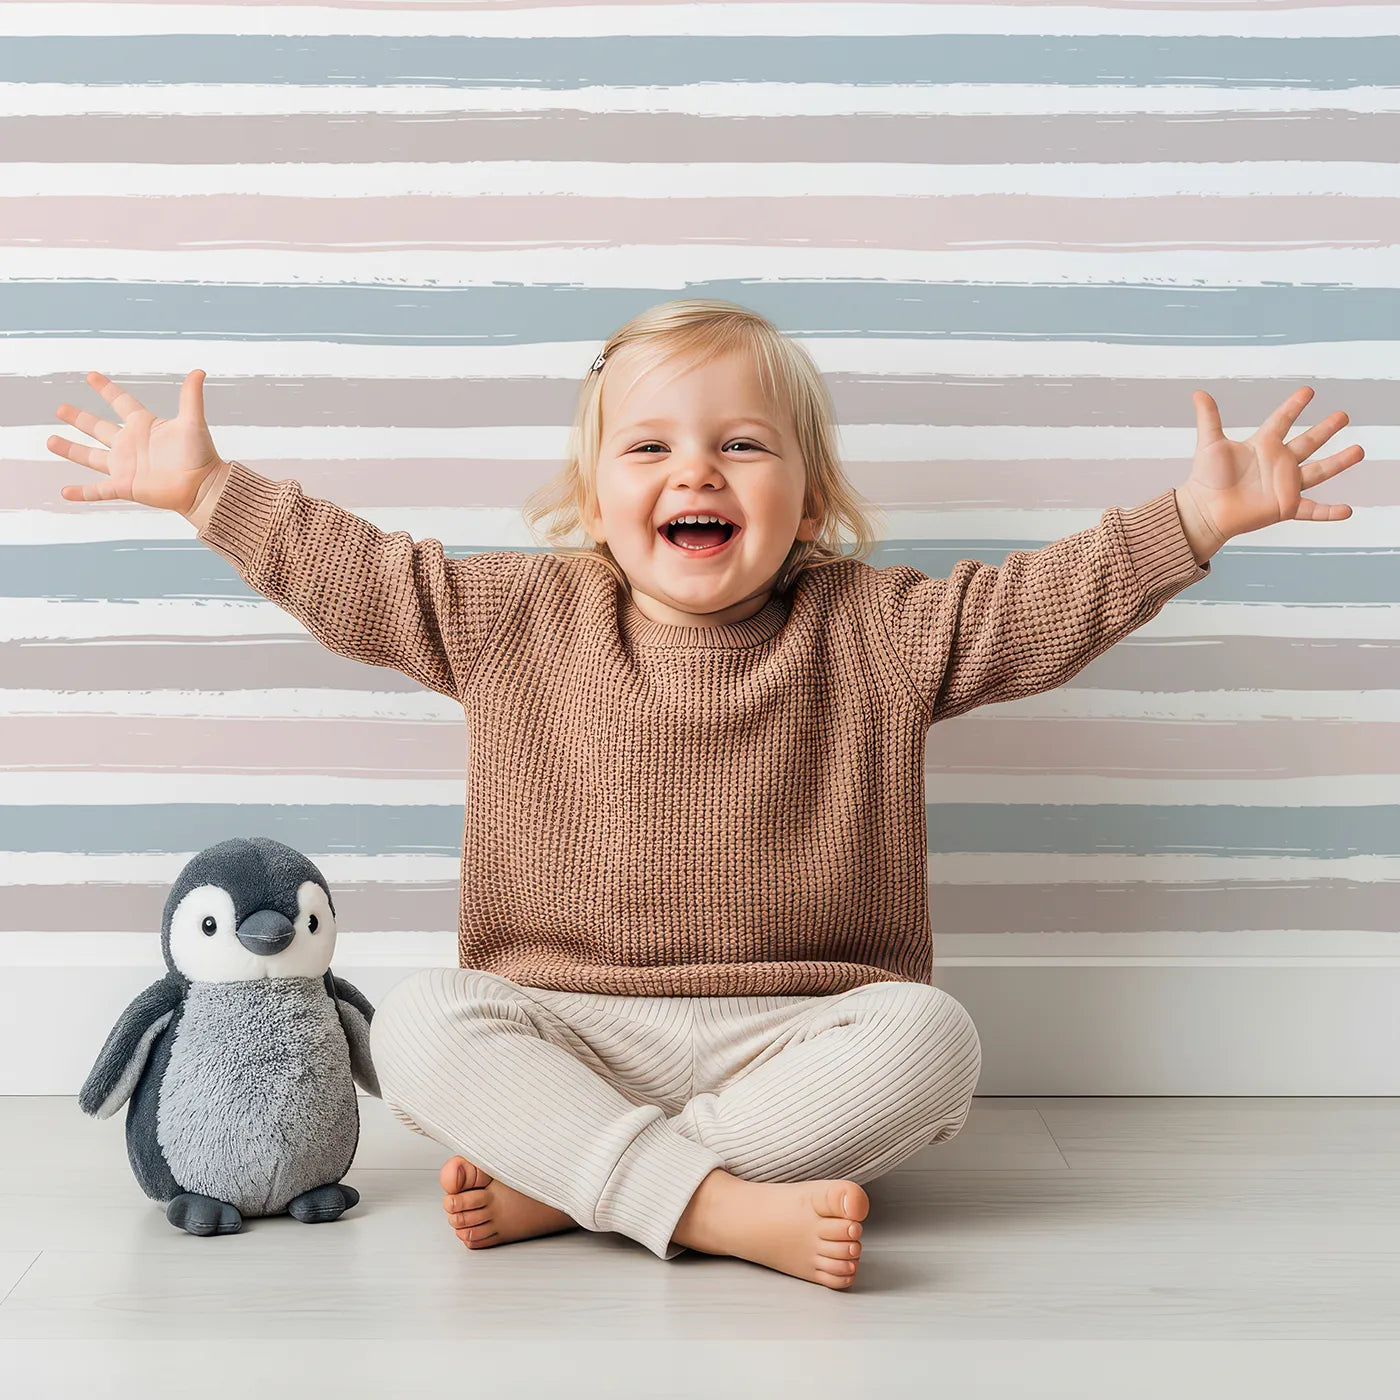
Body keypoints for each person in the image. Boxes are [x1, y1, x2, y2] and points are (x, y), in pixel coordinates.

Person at [46, 298, 1363, 1290]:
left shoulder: (877, 629)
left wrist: (1190, 523)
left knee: (935, 1039)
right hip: (567, 1023)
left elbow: (1035, 609)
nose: (697, 473)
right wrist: (210, 492)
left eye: (742, 444)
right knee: (424, 1026)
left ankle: (584, 1184)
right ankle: (721, 1207)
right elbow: (359, 574)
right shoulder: (514, 618)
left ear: (811, 499)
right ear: (594, 497)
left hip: (799, 1033)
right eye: (651, 447)